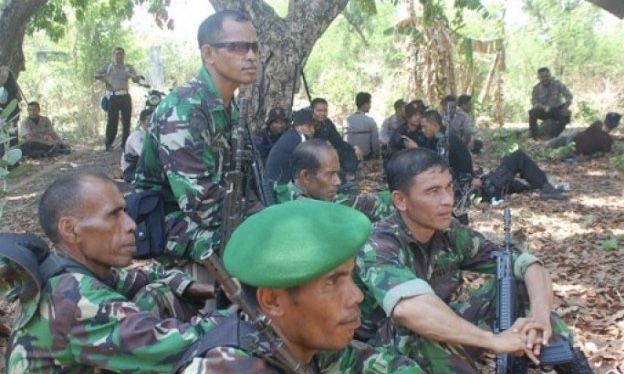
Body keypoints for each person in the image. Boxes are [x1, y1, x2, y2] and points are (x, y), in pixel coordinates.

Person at [354, 148, 592, 374]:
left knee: (516, 284)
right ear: (400, 200)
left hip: (440, 344)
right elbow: (409, 309)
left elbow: (528, 265)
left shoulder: (450, 232)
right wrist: (494, 341)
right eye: (433, 191)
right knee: (420, 326)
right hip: (385, 355)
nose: (448, 200)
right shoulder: (379, 243)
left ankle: (570, 364)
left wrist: (540, 320)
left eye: (449, 187)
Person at [4, 172, 219, 373]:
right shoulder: (74, 298)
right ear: (70, 229)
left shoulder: (67, 269)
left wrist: (208, 289)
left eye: (124, 212)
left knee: (158, 292)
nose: (132, 225)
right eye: (113, 215)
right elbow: (183, 345)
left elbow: (148, 278)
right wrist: (236, 313)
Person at [178, 199, 423, 373]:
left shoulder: (302, 340)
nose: (356, 296)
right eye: (332, 281)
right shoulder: (231, 366)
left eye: (350, 277)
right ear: (273, 301)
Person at [134, 10, 259, 280]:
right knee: (261, 245)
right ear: (209, 53)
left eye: (254, 47)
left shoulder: (229, 106)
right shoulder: (183, 109)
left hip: (215, 212)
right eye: (238, 46)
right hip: (171, 222)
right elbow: (204, 206)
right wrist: (270, 216)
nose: (251, 56)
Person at [419, 110, 567, 202]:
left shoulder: (444, 138)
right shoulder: (443, 137)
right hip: (469, 188)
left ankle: (545, 187)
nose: (422, 130)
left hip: (471, 185)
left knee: (514, 165)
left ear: (434, 125)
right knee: (517, 157)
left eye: (424, 126)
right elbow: (444, 171)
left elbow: (444, 169)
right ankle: (545, 187)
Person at [274, 139, 394, 222]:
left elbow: (361, 202)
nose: (338, 181)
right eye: (330, 174)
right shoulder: (308, 211)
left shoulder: (283, 192)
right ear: (306, 176)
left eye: (337, 173)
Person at [94, 47, 141, 151]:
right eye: (117, 54)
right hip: (113, 96)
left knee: (126, 121)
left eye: (121, 54)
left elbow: (136, 79)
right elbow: (96, 74)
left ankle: (125, 144)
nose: (119, 56)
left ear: (124, 55)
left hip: (124, 96)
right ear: (114, 55)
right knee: (112, 121)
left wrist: (132, 75)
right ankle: (108, 143)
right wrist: (105, 80)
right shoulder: (109, 66)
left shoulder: (128, 67)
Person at [311, 97, 360, 181]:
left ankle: (349, 175)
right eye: (319, 111)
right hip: (312, 155)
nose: (322, 113)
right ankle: (342, 178)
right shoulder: (308, 123)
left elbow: (338, 142)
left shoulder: (327, 123)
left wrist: (353, 148)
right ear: (312, 111)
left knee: (348, 152)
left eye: (325, 110)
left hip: (326, 152)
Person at [266, 109, 316, 185]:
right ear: (298, 125)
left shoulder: (293, 135)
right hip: (279, 185)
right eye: (308, 126)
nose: (312, 130)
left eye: (313, 126)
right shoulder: (297, 139)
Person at [547, 112, 621, 158]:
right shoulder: (608, 141)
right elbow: (603, 138)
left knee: (554, 144)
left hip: (573, 140)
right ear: (614, 126)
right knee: (556, 153)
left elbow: (601, 134)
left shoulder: (596, 124)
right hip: (576, 150)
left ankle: (545, 147)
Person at [528, 67, 573, 140]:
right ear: (539, 78)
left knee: (566, 115)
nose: (545, 79)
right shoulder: (536, 88)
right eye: (542, 77)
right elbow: (534, 102)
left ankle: (553, 136)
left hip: (556, 108)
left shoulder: (557, 84)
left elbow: (569, 96)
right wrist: (541, 106)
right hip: (543, 110)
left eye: (546, 76)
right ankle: (535, 137)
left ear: (550, 75)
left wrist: (565, 108)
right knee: (532, 113)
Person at [345, 92, 380, 160]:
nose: (370, 106)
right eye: (369, 103)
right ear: (365, 104)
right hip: (366, 157)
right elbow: (375, 143)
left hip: (349, 156)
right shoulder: (370, 121)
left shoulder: (347, 120)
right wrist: (377, 155)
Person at [121, 108, 153, 182]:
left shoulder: (151, 134)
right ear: (142, 121)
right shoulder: (137, 136)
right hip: (132, 171)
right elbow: (145, 154)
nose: (152, 122)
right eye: (149, 120)